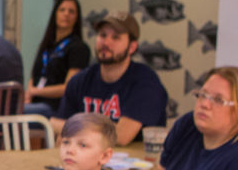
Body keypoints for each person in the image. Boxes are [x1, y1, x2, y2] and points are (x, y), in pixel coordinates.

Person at [52, 12, 167, 146]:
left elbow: (121, 136)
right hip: (87, 161)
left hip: (133, 163)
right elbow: (60, 132)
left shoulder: (146, 82)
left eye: (115, 37)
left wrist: (72, 127)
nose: (106, 42)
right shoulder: (80, 81)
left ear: (132, 47)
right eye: (102, 35)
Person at [24, 0, 90, 116]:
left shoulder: (79, 48)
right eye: (62, 10)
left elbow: (68, 87)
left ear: (77, 18)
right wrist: (29, 94)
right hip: (36, 102)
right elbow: (35, 76)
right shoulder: (47, 45)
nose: (66, 14)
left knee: (11, 111)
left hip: (56, 107)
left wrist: (36, 91)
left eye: (71, 11)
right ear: (55, 14)